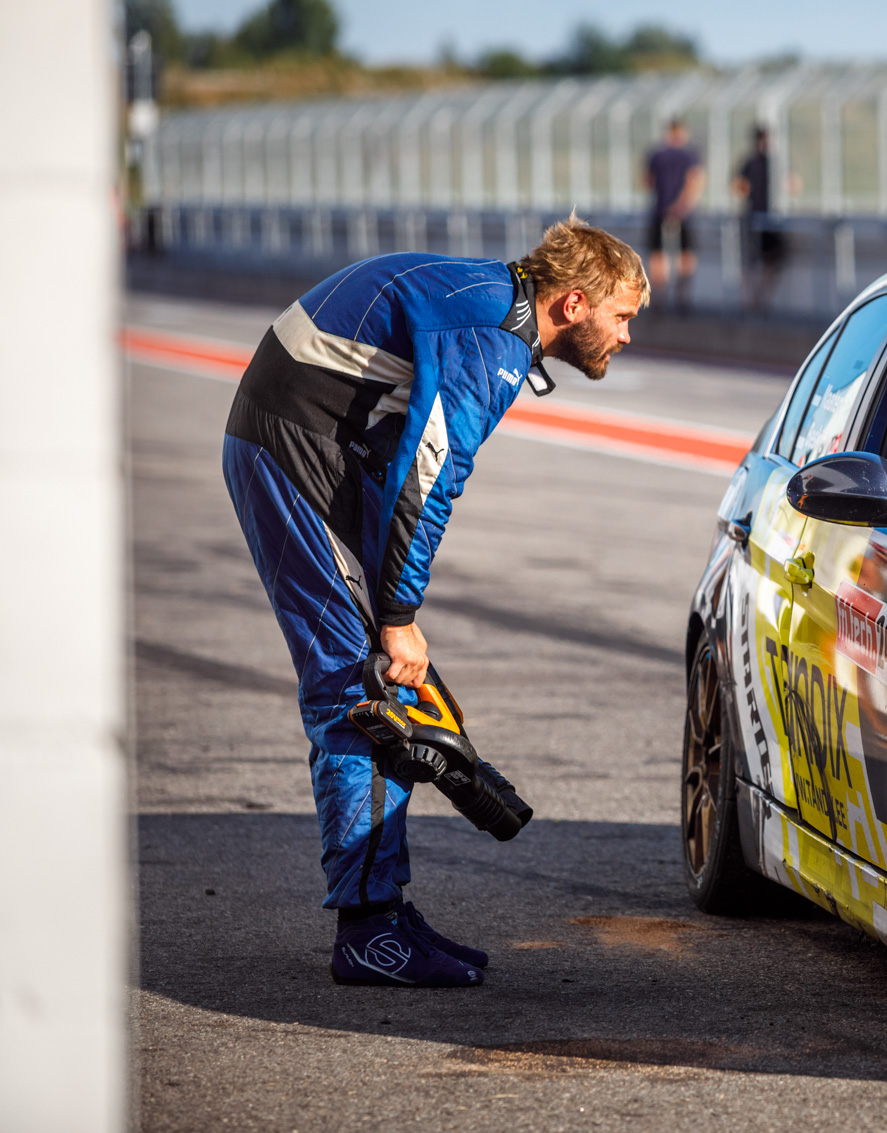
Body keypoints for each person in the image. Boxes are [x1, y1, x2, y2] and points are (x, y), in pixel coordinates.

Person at [222, 218, 648, 987]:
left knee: (392, 690)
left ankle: (383, 905)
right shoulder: (492, 335)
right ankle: (368, 931)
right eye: (622, 317)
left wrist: (396, 618)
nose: (626, 335)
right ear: (574, 303)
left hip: (309, 442)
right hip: (292, 447)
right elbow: (429, 473)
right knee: (364, 692)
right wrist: (398, 618)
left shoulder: (493, 303)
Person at [644, 118, 704, 311]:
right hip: (684, 213)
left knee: (658, 255)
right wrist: (682, 205)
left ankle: (658, 299)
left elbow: (648, 181)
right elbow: (694, 181)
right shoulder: (690, 155)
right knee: (685, 255)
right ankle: (682, 298)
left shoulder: (656, 155)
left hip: (659, 210)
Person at [733, 126, 788, 312]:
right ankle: (754, 301)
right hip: (759, 218)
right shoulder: (756, 162)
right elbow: (740, 186)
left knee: (770, 261)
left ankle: (758, 299)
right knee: (756, 262)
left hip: (768, 219)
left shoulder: (772, 162)